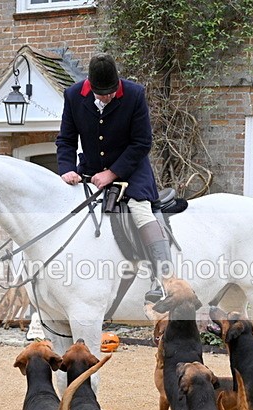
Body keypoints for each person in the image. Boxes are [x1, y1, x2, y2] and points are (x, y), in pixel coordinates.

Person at [56, 53, 172, 303]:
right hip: (89, 172)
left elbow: (142, 142)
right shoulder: (73, 95)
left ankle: (163, 279)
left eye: (111, 91)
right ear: (90, 85)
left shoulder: (134, 94)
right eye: (101, 93)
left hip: (131, 172)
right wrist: (67, 168)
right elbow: (66, 139)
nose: (107, 97)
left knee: (141, 211)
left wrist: (112, 173)